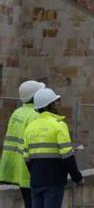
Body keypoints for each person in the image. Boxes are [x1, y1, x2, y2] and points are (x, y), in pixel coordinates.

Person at [22, 88, 82, 208]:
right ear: (50, 105)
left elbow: (26, 158)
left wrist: (36, 174)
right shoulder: (59, 125)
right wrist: (77, 178)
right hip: (54, 182)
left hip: (36, 182)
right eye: (56, 102)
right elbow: (67, 156)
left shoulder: (30, 127)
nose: (59, 104)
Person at [0, 80, 46, 208]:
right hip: (28, 170)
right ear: (35, 96)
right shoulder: (36, 115)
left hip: (14, 167)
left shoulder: (17, 112)